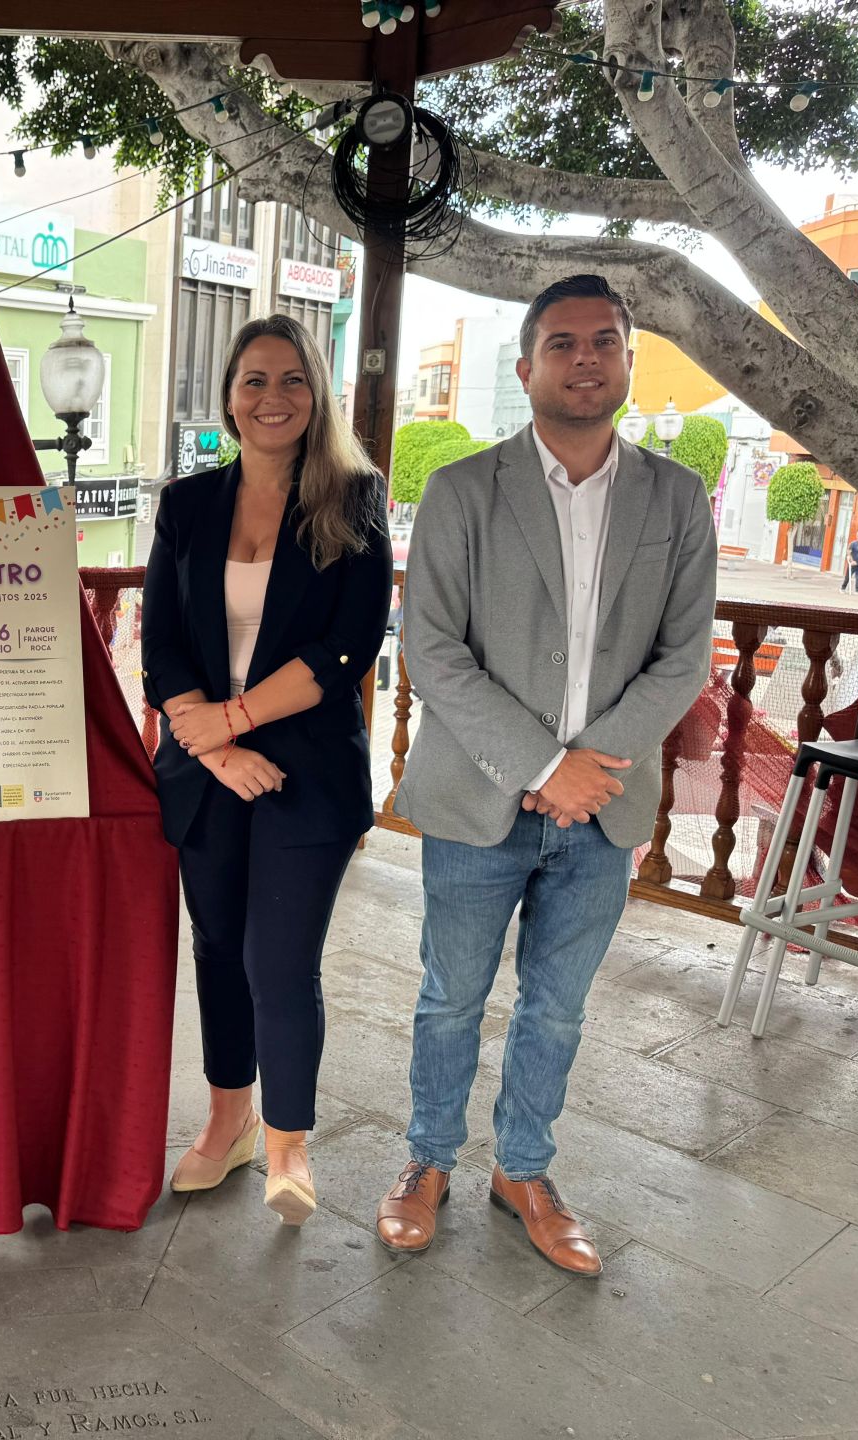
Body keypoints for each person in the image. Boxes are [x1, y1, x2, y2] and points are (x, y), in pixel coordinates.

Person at [380, 275, 715, 1274]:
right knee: (450, 996)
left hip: (602, 810)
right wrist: (539, 765)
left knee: (558, 1007)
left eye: (604, 341)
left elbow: (684, 655)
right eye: (562, 343)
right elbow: (432, 648)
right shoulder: (463, 490)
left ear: (626, 362)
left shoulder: (676, 497)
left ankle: (523, 1168)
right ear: (525, 367)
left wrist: (587, 769)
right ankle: (428, 1161)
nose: (584, 358)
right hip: (478, 798)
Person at [141, 314, 393, 1224]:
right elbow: (160, 642)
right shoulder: (188, 503)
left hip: (307, 774)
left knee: (277, 962)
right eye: (254, 380)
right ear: (228, 397)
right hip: (206, 768)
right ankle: (227, 1123)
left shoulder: (354, 500)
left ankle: (288, 1143)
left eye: (292, 380)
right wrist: (211, 743)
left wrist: (236, 724)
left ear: (316, 395)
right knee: (215, 952)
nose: (272, 397)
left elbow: (346, 649)